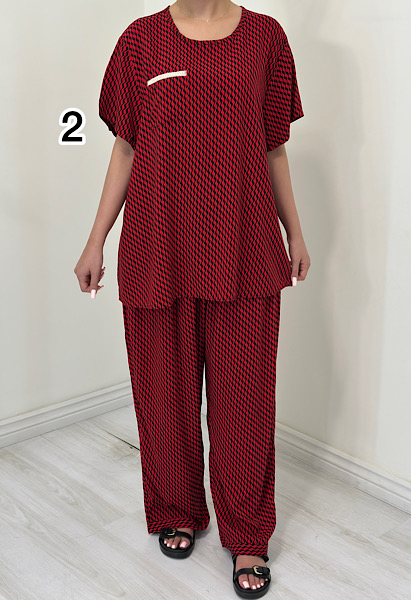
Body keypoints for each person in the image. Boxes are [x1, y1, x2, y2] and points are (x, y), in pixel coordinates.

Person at [74, 1, 310, 596]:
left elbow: (273, 147)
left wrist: (295, 231)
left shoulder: (266, 38)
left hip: (244, 245)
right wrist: (95, 239)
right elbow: (125, 148)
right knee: (163, 392)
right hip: (159, 243)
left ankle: (247, 533)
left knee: (245, 397)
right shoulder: (139, 41)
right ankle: (176, 507)